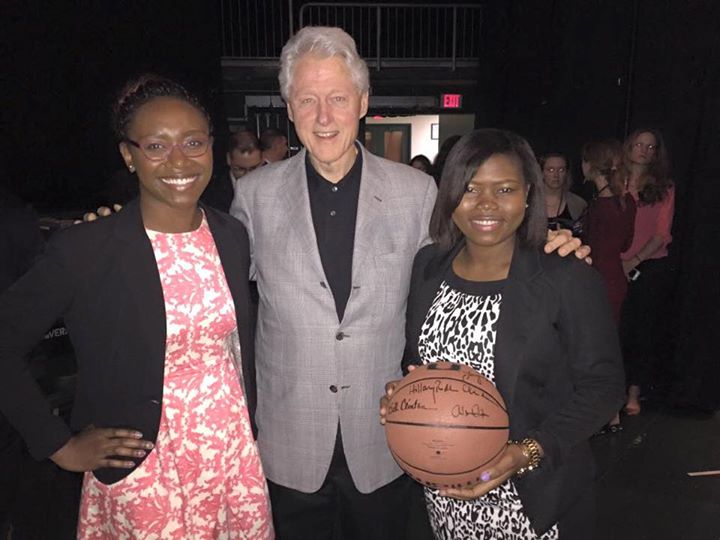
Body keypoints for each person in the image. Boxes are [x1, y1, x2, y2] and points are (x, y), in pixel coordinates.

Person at [231, 26, 587, 540]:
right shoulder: (254, 197)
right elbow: (210, 286)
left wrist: (550, 248)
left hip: (387, 439)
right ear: (288, 107)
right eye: (307, 99)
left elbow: (479, 258)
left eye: (337, 97)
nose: (324, 116)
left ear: (364, 102)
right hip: (290, 442)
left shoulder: (417, 193)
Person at [0, 75, 273, 539]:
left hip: (230, 452)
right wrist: (57, 445)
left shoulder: (230, 236)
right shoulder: (86, 248)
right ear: (129, 156)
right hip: (145, 465)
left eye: (192, 142)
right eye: (155, 146)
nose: (178, 160)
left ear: (212, 146)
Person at [383, 129, 624, 539]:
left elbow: (605, 387)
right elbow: (419, 363)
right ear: (450, 194)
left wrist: (527, 452)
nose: (486, 204)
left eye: (505, 188)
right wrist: (403, 396)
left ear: (529, 193)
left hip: (533, 501)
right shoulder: (428, 267)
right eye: (470, 188)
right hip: (445, 495)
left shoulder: (566, 278)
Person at [618, 128, 675, 416]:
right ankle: (610, 391)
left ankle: (634, 393)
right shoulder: (615, 182)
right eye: (639, 144)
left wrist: (634, 261)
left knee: (642, 331)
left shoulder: (663, 186)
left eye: (650, 147)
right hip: (613, 264)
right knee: (614, 329)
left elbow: (662, 233)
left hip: (649, 266)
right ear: (628, 147)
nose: (643, 151)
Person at [582, 139, 636, 323]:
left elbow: (591, 251)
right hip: (615, 278)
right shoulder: (626, 202)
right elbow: (626, 244)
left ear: (591, 165)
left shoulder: (598, 207)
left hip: (596, 281)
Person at [540, 152, 586, 236]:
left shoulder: (578, 204)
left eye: (561, 170)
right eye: (551, 170)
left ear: (567, 173)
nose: (556, 175)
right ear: (542, 173)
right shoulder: (529, 202)